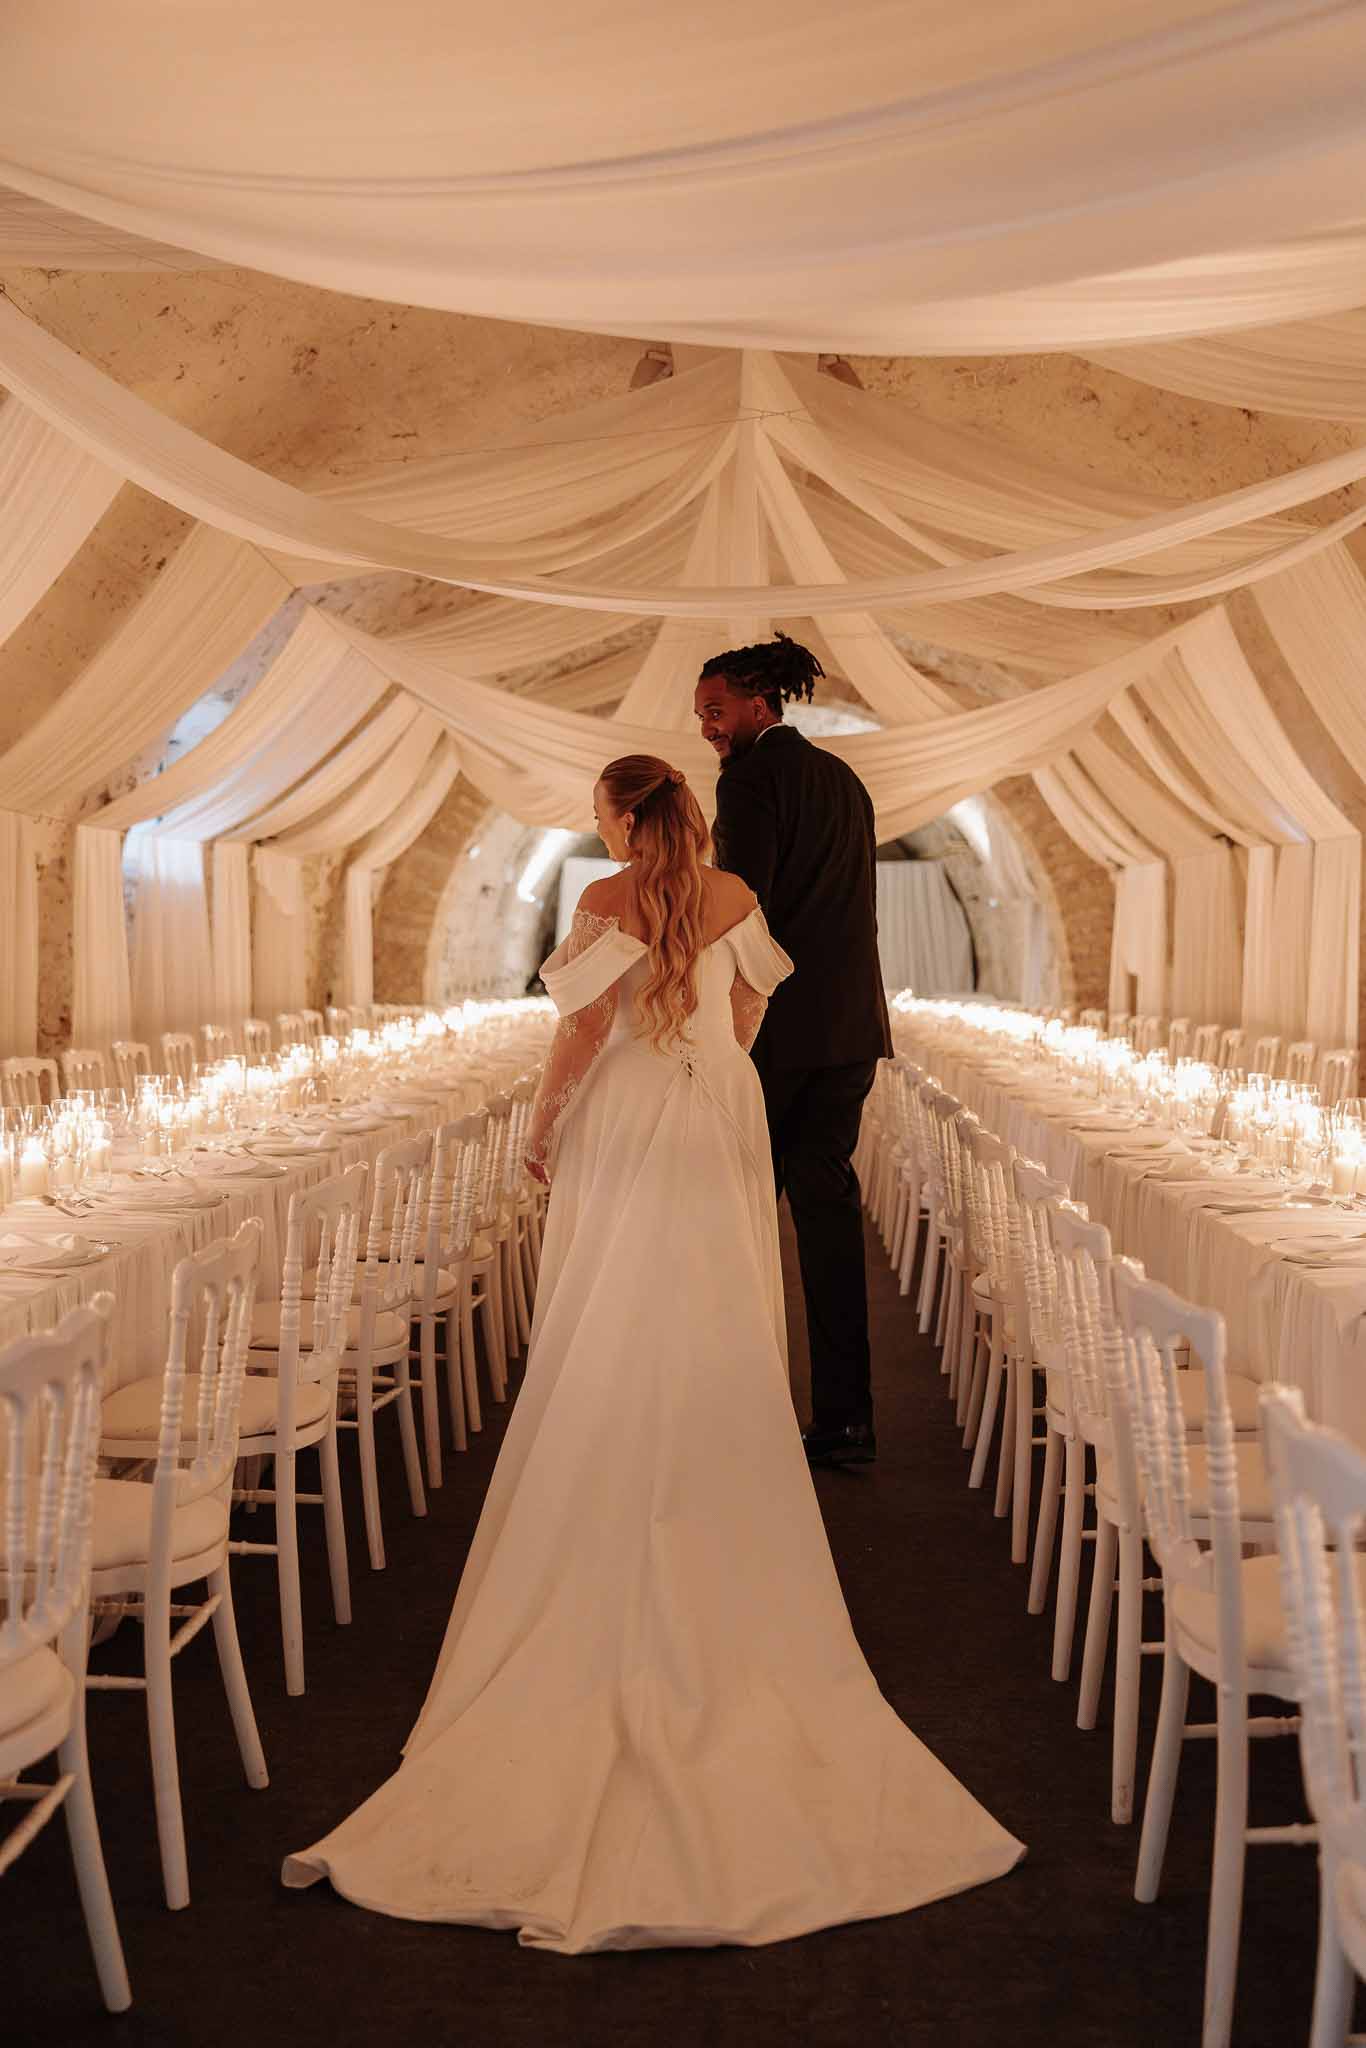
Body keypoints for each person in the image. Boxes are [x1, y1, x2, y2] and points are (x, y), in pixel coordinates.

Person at [283, 754, 1023, 1952]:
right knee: (721, 1301)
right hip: (717, 1108)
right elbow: (753, 1009)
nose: (597, 831)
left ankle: (615, 1458)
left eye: (598, 817)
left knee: (606, 1303)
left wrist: (542, 1120)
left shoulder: (602, 902)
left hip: (631, 1106)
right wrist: (712, 1062)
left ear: (625, 820)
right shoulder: (735, 895)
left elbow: (580, 1029)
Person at [694, 636, 890, 1468]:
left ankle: (735, 1409)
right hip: (849, 1030)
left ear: (760, 706)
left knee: (734, 1218)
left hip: (779, 1034)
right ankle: (847, 1419)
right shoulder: (843, 779)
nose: (707, 728)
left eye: (715, 710)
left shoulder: (750, 778)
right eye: (701, 714)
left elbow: (745, 908)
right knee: (827, 1218)